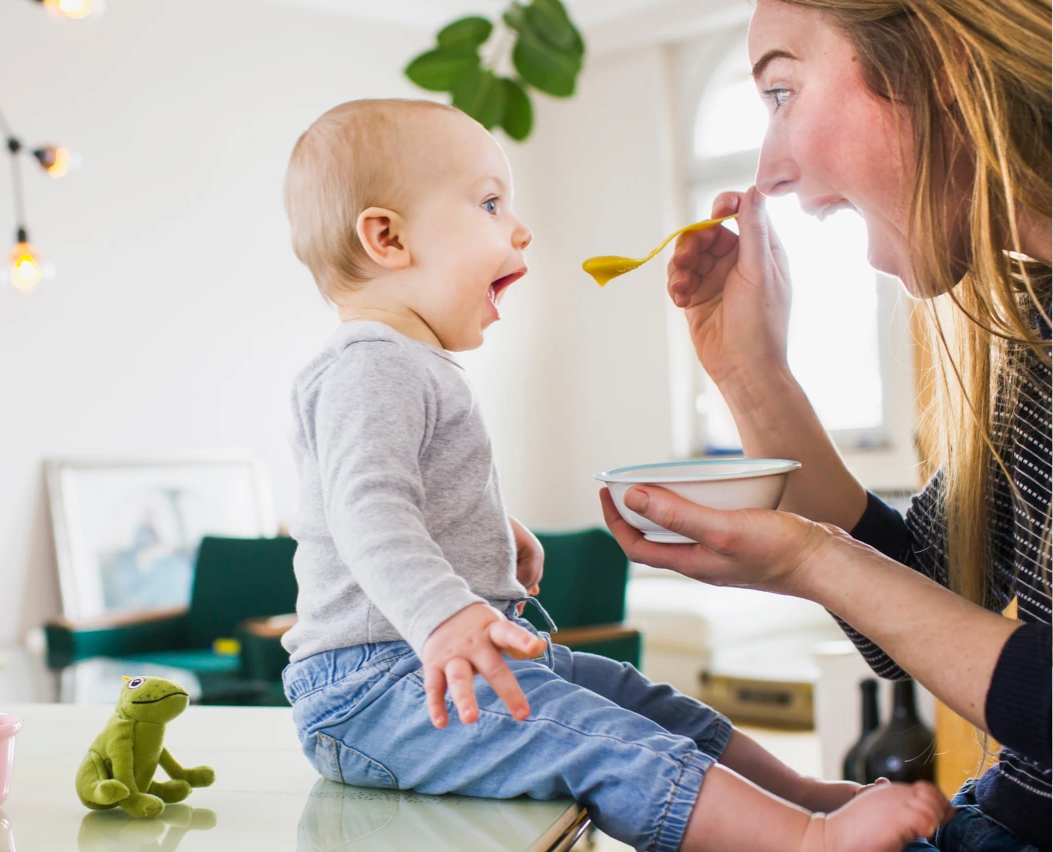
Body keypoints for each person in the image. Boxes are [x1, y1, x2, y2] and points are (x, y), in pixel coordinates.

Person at [278, 97, 951, 851]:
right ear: (387, 238)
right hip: (376, 689)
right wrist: (444, 615)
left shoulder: (406, 366)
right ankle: (801, 840)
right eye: (490, 203)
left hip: (421, 666)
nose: (520, 228)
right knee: (594, 738)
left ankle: (796, 794)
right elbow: (363, 510)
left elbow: (397, 496)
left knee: (636, 698)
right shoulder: (370, 365)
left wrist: (485, 533)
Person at [599, 1, 1051, 848]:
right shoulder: (1038, 336)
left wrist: (815, 560)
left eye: (780, 92)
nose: (768, 169)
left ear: (941, 63)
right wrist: (752, 374)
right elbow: (930, 598)